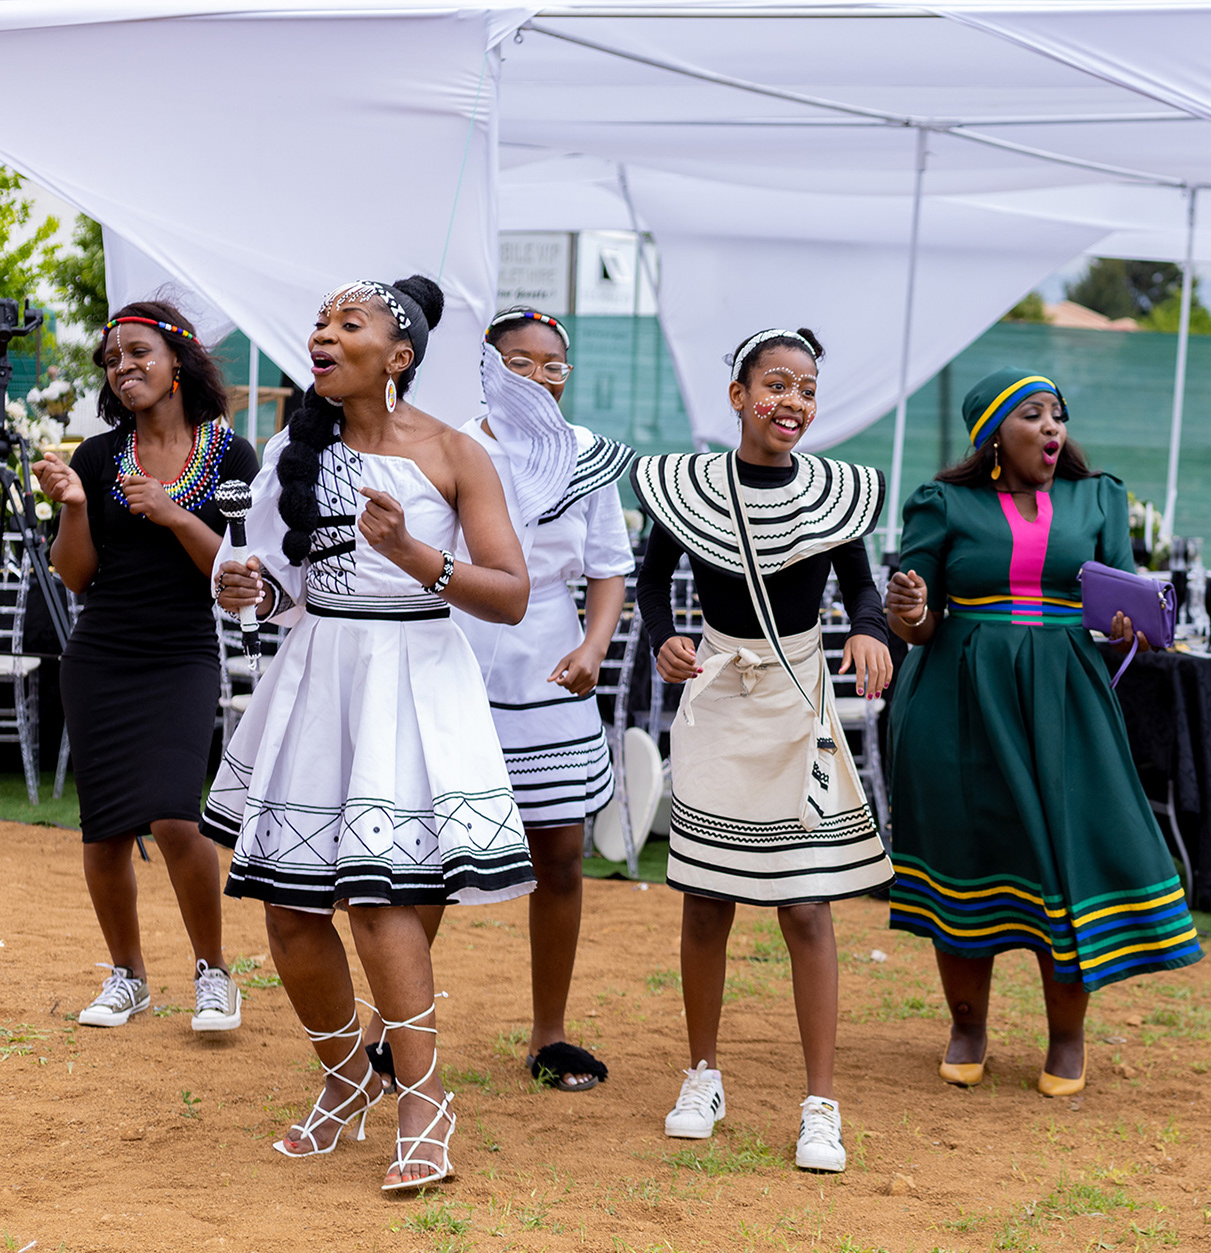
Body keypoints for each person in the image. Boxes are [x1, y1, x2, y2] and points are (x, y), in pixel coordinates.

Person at [204, 276, 535, 1193]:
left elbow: (511, 596)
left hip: (413, 685)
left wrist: (413, 554)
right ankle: (347, 1076)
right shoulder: (292, 452)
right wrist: (249, 588)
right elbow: (278, 580)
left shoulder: (458, 453)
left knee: (380, 898)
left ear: (399, 357)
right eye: (320, 323)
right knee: (287, 906)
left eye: (348, 324)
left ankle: (424, 1101)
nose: (323, 336)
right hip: (318, 679)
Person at [881, 368, 1202, 1098]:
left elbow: (1123, 603)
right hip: (958, 702)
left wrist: (1127, 624)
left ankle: (1067, 1037)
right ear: (994, 433)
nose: (1052, 426)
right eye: (1033, 414)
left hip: (1066, 699)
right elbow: (920, 624)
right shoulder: (942, 502)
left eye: (1057, 413)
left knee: (1067, 858)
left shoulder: (1099, 496)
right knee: (967, 855)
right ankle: (967, 1029)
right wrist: (908, 608)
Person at [632, 327, 892, 1174]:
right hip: (717, 695)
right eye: (777, 384)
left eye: (807, 389)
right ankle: (702, 1075)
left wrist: (870, 629)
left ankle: (821, 1104)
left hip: (797, 699)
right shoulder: (689, 487)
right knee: (706, 898)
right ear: (739, 396)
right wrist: (665, 640)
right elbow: (651, 578)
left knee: (806, 904)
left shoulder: (833, 493)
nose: (793, 402)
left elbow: (860, 585)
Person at [360, 311, 636, 1095]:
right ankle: (389, 1034)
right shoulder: (449, 446)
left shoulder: (588, 456)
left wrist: (594, 648)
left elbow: (608, 569)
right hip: (457, 653)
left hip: (552, 663)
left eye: (555, 366)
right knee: (432, 856)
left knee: (561, 854)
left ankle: (550, 1034)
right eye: (521, 362)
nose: (541, 377)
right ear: (488, 369)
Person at [32, 302, 259, 1033]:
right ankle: (128, 977)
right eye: (111, 359)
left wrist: (172, 512)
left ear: (178, 360)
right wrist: (74, 505)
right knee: (102, 830)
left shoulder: (233, 456)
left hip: (181, 655)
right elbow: (75, 577)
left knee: (174, 816)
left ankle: (214, 973)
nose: (122, 366)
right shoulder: (98, 457)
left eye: (137, 352)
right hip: (99, 657)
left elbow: (234, 574)